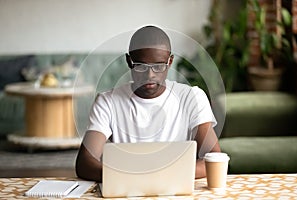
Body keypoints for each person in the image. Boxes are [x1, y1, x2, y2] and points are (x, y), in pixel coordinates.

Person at [76, 25, 221, 182]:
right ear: (129, 61)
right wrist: (134, 178)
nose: (150, 75)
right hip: (128, 188)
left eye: (158, 66)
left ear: (170, 61)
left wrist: (154, 175)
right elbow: (85, 163)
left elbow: (213, 159)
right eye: (141, 66)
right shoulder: (107, 102)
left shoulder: (192, 97)